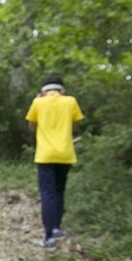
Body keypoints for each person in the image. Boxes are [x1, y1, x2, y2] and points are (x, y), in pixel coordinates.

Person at [25, 75, 84, 248]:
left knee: (47, 194)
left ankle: (48, 237)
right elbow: (75, 126)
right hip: (65, 153)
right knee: (59, 191)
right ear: (62, 90)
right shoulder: (71, 101)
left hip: (45, 155)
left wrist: (39, 104)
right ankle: (57, 227)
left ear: (43, 91)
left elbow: (31, 126)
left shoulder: (38, 103)